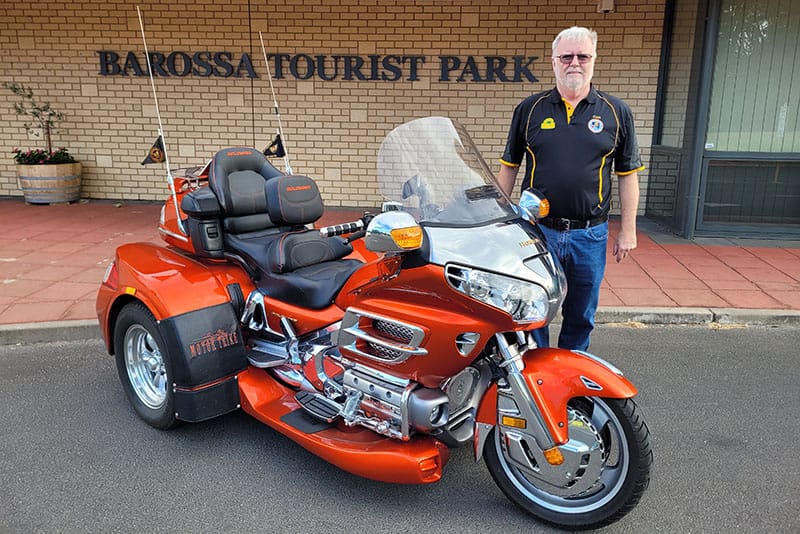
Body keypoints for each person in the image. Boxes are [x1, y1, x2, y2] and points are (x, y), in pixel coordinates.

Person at [497, 26, 644, 351]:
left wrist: (628, 230)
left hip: (589, 236)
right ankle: (533, 381)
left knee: (580, 315)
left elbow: (627, 174)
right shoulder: (530, 109)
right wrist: (498, 220)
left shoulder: (616, 112)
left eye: (582, 56)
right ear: (554, 62)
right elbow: (509, 166)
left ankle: (569, 378)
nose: (574, 62)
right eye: (567, 56)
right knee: (532, 311)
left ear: (593, 60)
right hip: (535, 233)